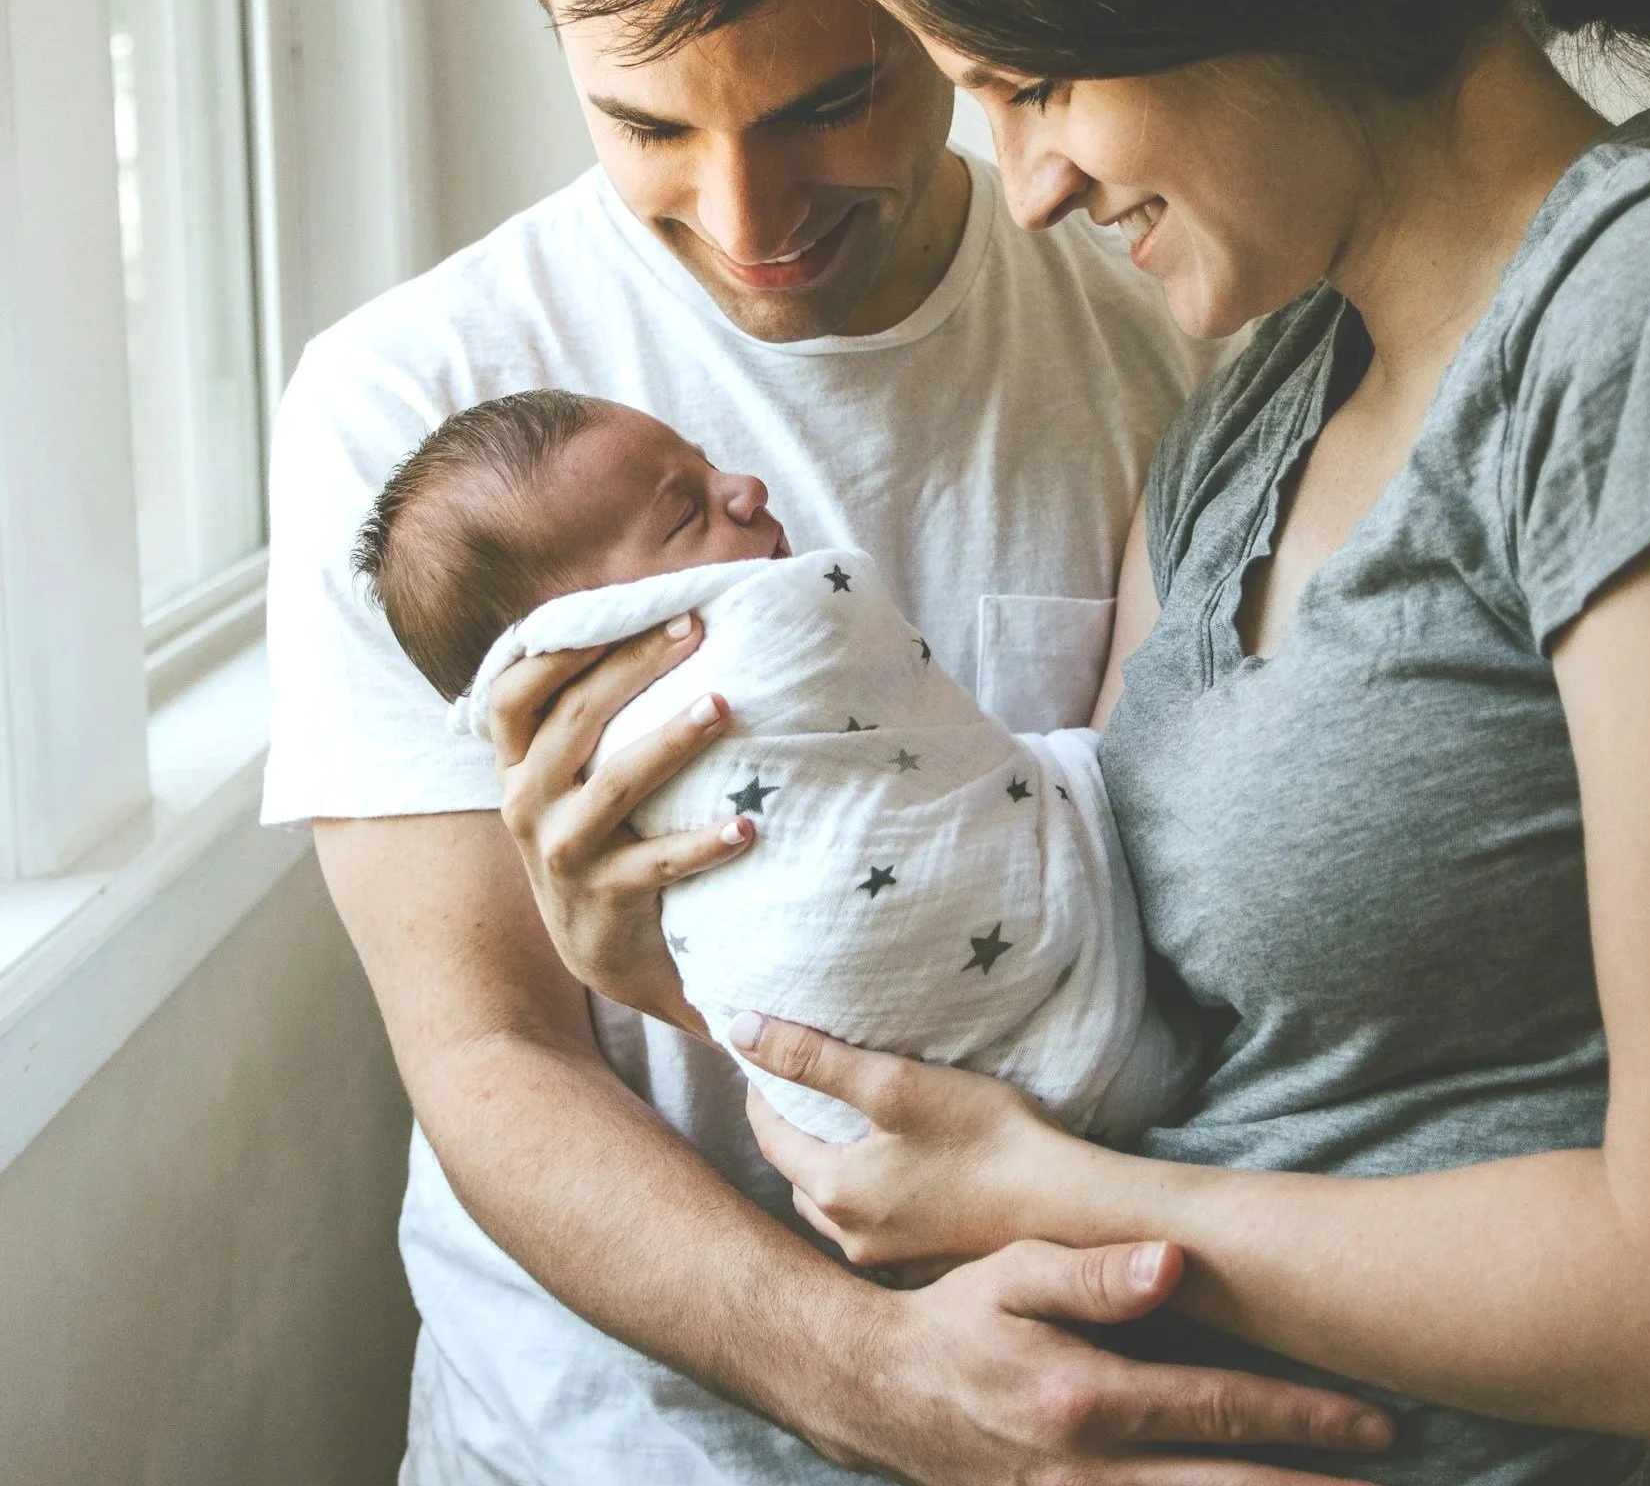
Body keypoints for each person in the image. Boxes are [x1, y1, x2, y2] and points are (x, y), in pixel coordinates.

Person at [261, 0, 1433, 1486]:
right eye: (642, 121)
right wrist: (881, 1382)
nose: (744, 216)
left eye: (827, 98)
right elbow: (490, 1054)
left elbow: (1231, 926)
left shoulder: (1174, 318)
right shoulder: (411, 419)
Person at [651, 0, 1650, 1486]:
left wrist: (1089, 1212)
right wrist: (670, 940)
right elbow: (1094, 1013)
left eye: (1030, 81)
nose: (1020, 176)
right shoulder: (1251, 400)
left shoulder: (1623, 320)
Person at [354, 389, 1192, 1147]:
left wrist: (646, 977)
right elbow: (484, 1056)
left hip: (895, 1132)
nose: (745, 486)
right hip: (727, 1238)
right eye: (684, 514)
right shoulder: (388, 391)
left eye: (707, 463)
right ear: (594, 628)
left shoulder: (1146, 361)